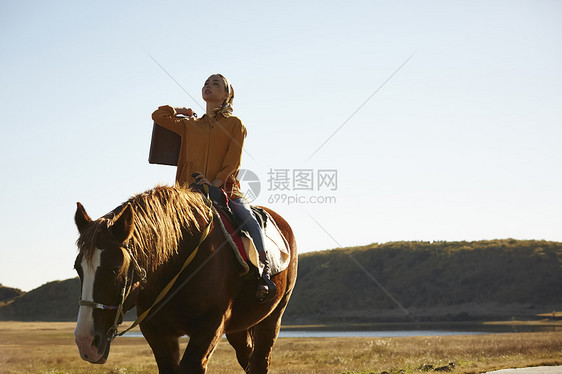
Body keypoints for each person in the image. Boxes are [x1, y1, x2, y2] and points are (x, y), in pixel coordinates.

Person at [151, 74, 275, 302]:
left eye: (215, 83)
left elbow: (233, 162)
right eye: (206, 83)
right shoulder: (189, 125)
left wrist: (216, 184)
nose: (208, 86)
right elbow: (158, 116)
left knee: (246, 216)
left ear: (227, 95)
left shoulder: (235, 124)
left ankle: (263, 271)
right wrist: (182, 111)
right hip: (187, 194)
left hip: (226, 190)